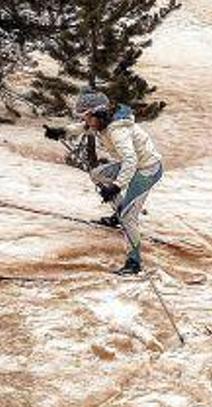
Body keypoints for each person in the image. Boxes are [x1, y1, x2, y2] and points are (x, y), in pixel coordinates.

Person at [44, 88, 163, 275]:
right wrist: (61, 132)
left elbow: (131, 160)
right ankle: (119, 214)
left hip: (147, 170)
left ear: (98, 114)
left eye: (87, 116)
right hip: (132, 166)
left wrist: (116, 187)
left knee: (128, 218)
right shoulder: (102, 122)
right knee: (97, 174)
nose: (85, 121)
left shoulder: (118, 131)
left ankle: (134, 263)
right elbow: (83, 127)